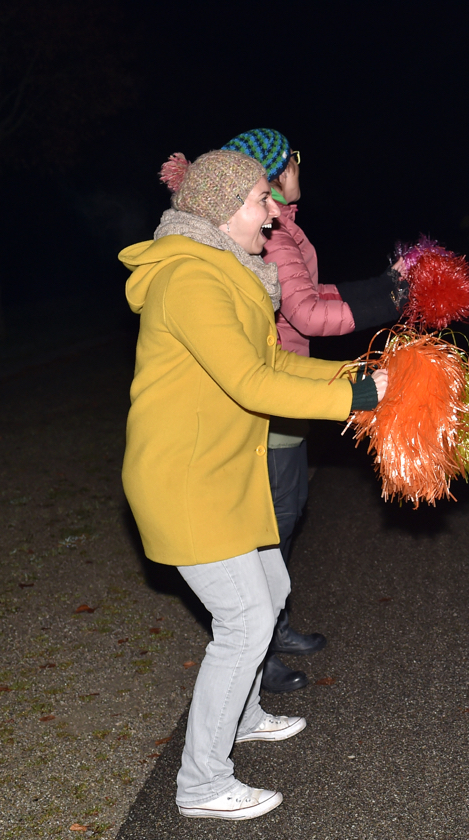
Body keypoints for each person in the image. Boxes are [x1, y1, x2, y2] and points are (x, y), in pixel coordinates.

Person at [121, 149, 386, 819]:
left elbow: (273, 362)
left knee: (271, 590)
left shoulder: (229, 273)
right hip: (184, 480)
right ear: (218, 210)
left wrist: (361, 374)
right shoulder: (191, 280)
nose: (273, 214)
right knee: (243, 623)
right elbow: (249, 383)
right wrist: (356, 396)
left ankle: (240, 717)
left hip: (219, 474)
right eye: (258, 202)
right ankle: (202, 781)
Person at [222, 128, 405, 693]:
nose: (302, 165)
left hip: (292, 383)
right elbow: (306, 314)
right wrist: (387, 300)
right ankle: (258, 649)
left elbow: (313, 290)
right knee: (272, 521)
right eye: (294, 158)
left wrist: (384, 288)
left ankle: (273, 625)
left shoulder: (284, 226)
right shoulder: (272, 234)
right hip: (276, 389)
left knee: (289, 510)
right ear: (276, 173)